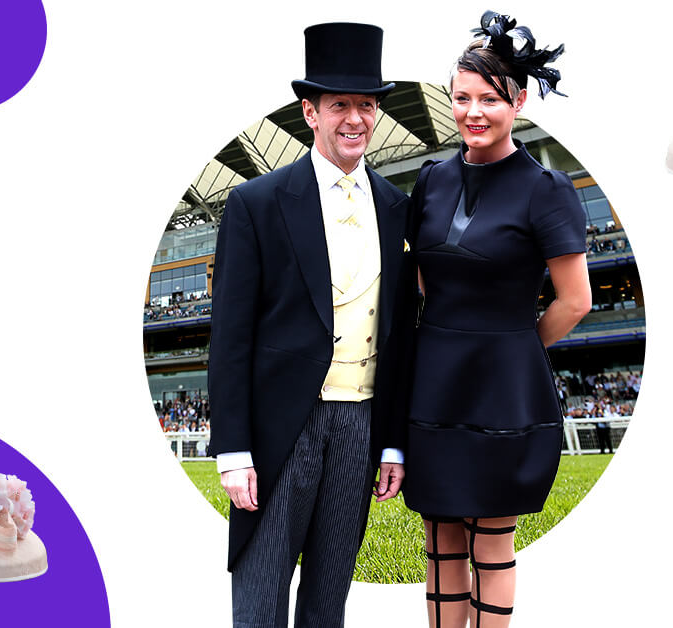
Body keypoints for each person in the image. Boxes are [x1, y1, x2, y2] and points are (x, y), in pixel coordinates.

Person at [207, 22, 416, 628]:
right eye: (340, 105)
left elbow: (402, 333)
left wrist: (393, 440)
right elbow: (231, 337)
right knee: (261, 592)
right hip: (281, 425)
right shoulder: (257, 202)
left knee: (330, 597)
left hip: (359, 420)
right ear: (310, 112)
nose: (356, 118)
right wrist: (233, 450)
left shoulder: (395, 205)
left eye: (367, 105)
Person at [400, 12, 591, 628]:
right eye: (461, 98)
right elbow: (422, 275)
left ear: (519, 99)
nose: (473, 112)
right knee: (440, 535)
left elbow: (575, 300)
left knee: (491, 536)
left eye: (490, 98)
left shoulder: (547, 187)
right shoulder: (429, 180)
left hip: (504, 381)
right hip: (435, 374)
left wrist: (516, 345)